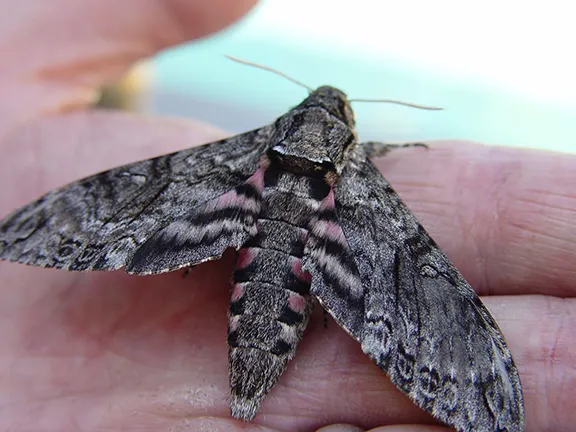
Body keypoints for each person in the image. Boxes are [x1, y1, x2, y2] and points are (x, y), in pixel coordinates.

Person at [0, 1, 574, 431]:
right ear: (351, 140)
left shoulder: (244, 152)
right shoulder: (358, 168)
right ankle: (463, 384)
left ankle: (470, 389)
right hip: (301, 289)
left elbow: (113, 205)